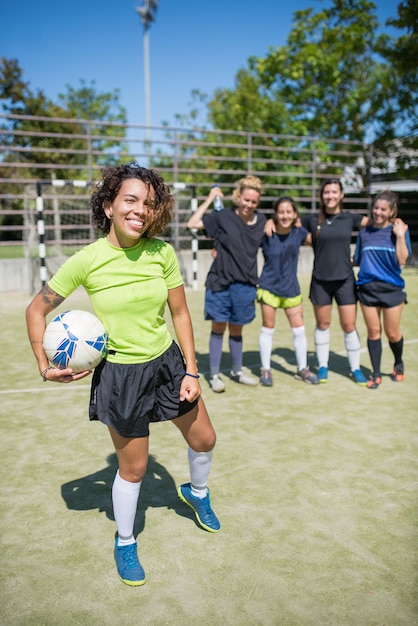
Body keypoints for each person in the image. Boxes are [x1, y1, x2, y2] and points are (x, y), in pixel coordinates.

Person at [25, 163, 220, 588]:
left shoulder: (162, 253)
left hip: (168, 364)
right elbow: (36, 309)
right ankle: (126, 540)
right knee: (133, 470)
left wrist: (191, 368)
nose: (140, 210)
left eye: (148, 204)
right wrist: (44, 364)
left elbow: (180, 313)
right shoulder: (88, 260)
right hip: (121, 376)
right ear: (109, 206)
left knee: (205, 439)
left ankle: (197, 494)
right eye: (130, 200)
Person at [265, 177, 369, 384]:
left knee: (349, 325)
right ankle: (323, 367)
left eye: (334, 192)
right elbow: (286, 219)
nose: (330, 196)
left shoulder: (351, 218)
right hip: (320, 280)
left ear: (341, 195)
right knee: (323, 324)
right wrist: (270, 220)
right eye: (326, 192)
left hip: (345, 280)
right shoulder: (311, 220)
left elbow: (376, 223)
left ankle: (356, 369)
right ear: (322, 196)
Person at [187, 176, 266, 393]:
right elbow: (192, 224)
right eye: (246, 199)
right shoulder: (223, 216)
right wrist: (210, 198)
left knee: (237, 331)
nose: (249, 204)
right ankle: (214, 375)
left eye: (254, 201)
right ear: (238, 197)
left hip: (246, 285)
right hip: (220, 283)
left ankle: (237, 371)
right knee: (218, 328)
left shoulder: (262, 221)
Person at [257, 196, 318, 386]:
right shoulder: (266, 233)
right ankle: (266, 370)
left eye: (289, 212)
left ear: (295, 214)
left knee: (299, 331)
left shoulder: (300, 233)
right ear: (275, 214)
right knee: (268, 329)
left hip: (292, 289)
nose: (285, 216)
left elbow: (317, 235)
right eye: (281, 212)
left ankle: (302, 369)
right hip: (268, 289)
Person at [354, 190, 411, 389]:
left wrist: (401, 237)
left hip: (392, 289)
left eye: (383, 209)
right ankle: (376, 373)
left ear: (391, 211)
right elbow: (358, 260)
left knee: (392, 333)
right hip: (367, 289)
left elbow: (402, 260)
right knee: (373, 332)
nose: (378, 212)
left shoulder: (399, 231)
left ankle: (398, 363)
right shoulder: (364, 233)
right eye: (376, 208)